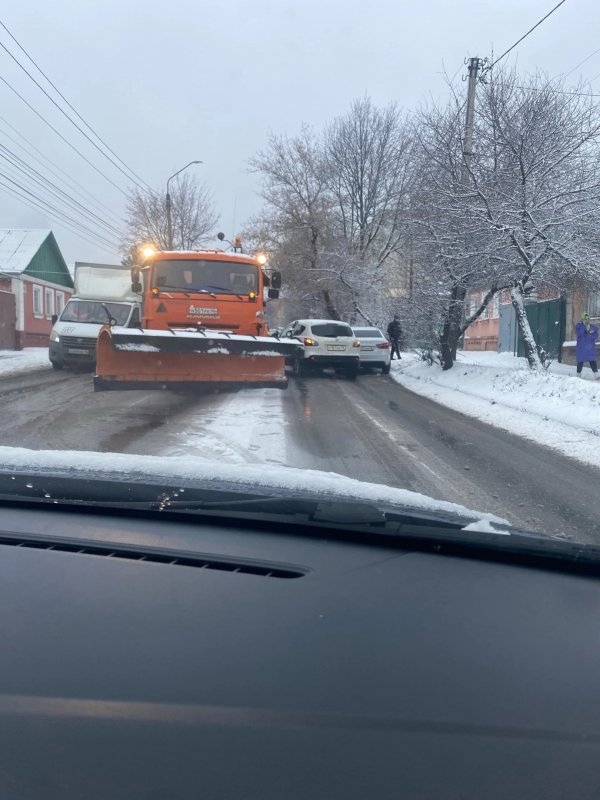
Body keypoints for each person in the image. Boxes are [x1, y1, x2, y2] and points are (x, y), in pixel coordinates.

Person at [575, 312, 600, 379]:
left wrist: (590, 336)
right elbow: (580, 334)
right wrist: (583, 325)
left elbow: (596, 335)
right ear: (582, 319)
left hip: (590, 347)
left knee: (592, 360)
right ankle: (578, 375)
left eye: (588, 319)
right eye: (585, 319)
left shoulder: (591, 326)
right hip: (582, 347)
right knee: (580, 361)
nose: (587, 320)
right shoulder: (579, 326)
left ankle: (596, 375)